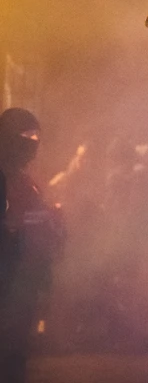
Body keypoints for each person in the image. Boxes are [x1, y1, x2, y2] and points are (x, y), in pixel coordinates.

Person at [0, 109, 63, 383]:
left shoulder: (25, 180)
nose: (33, 142)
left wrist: (51, 221)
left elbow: (33, 217)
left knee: (17, 350)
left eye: (36, 136)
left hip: (25, 277)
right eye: (27, 136)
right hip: (8, 277)